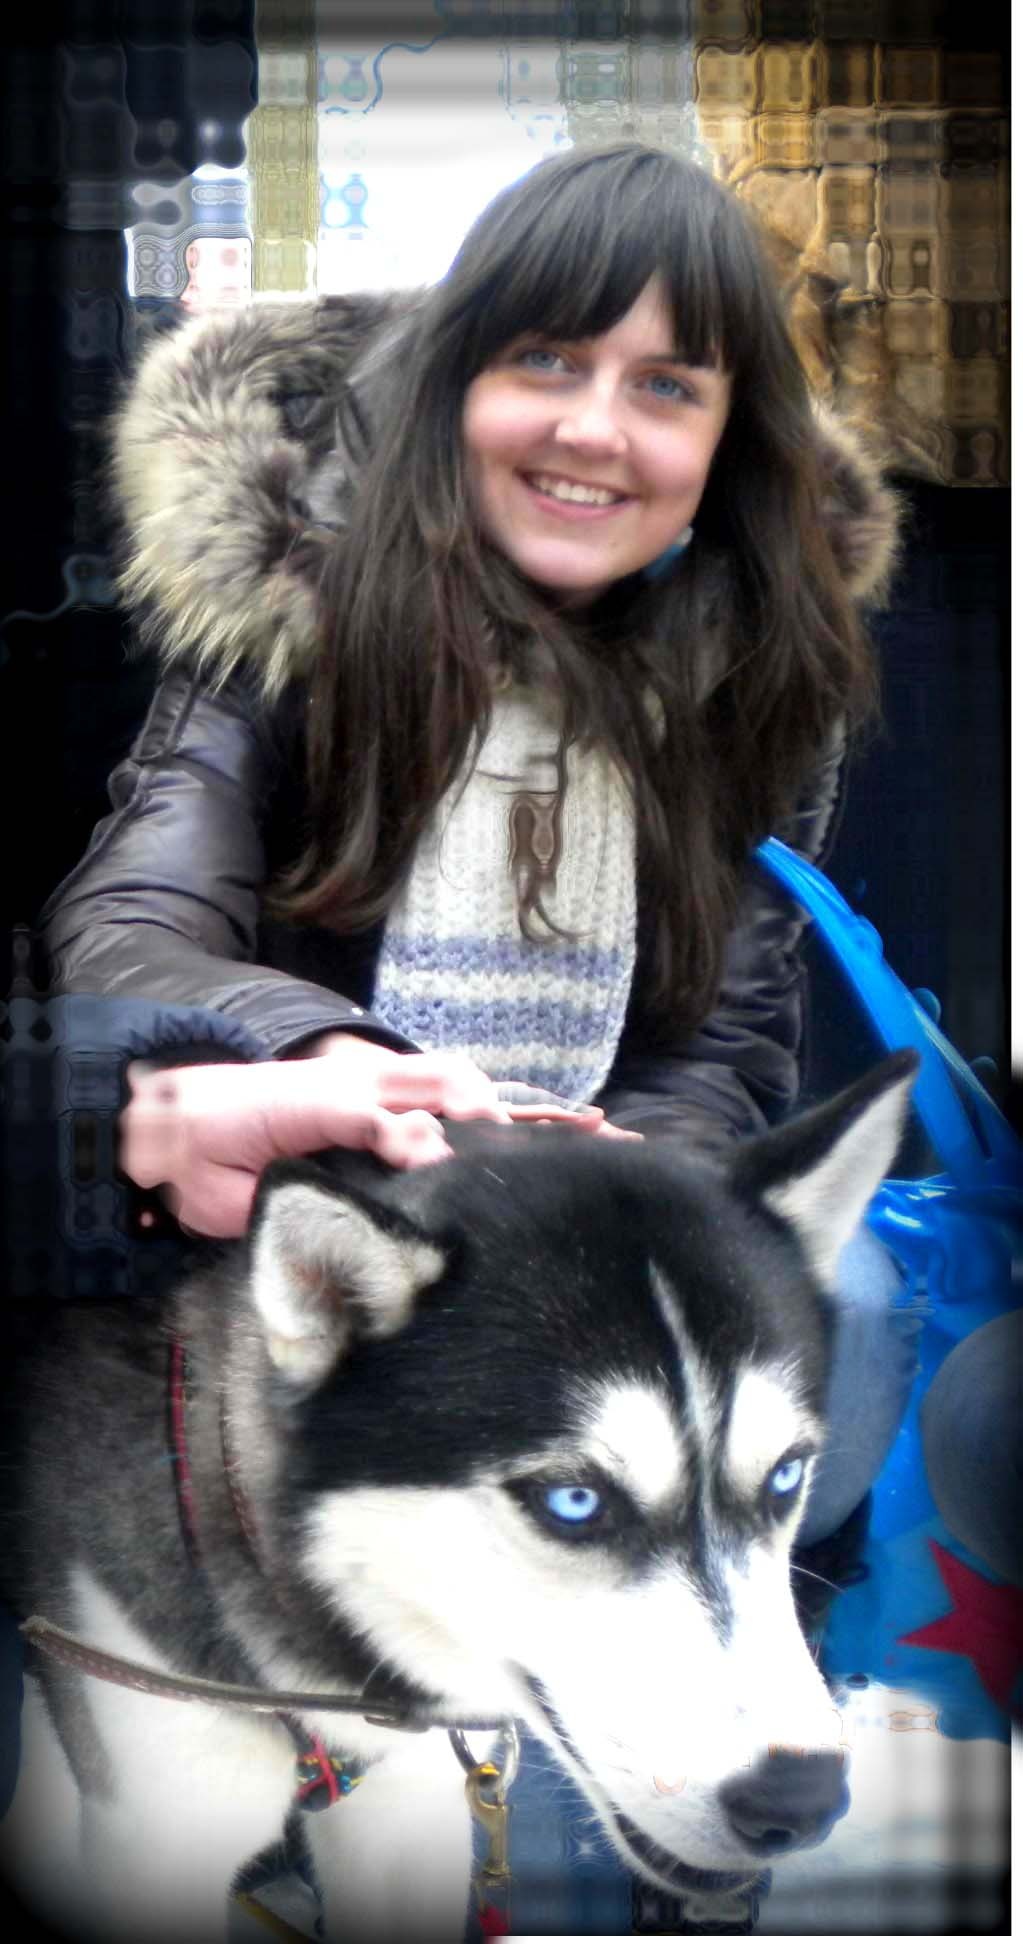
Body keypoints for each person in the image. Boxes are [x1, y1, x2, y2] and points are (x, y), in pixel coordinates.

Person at [42, 141, 909, 1541]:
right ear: (456, 389)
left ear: (727, 447)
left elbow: (727, 1041)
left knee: (852, 1301)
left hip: (588, 1222)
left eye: (667, 387)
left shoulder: (760, 691)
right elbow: (127, 928)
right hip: (320, 1204)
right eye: (546, 361)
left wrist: (627, 1178)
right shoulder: (285, 618)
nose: (595, 431)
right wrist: (332, 1063)